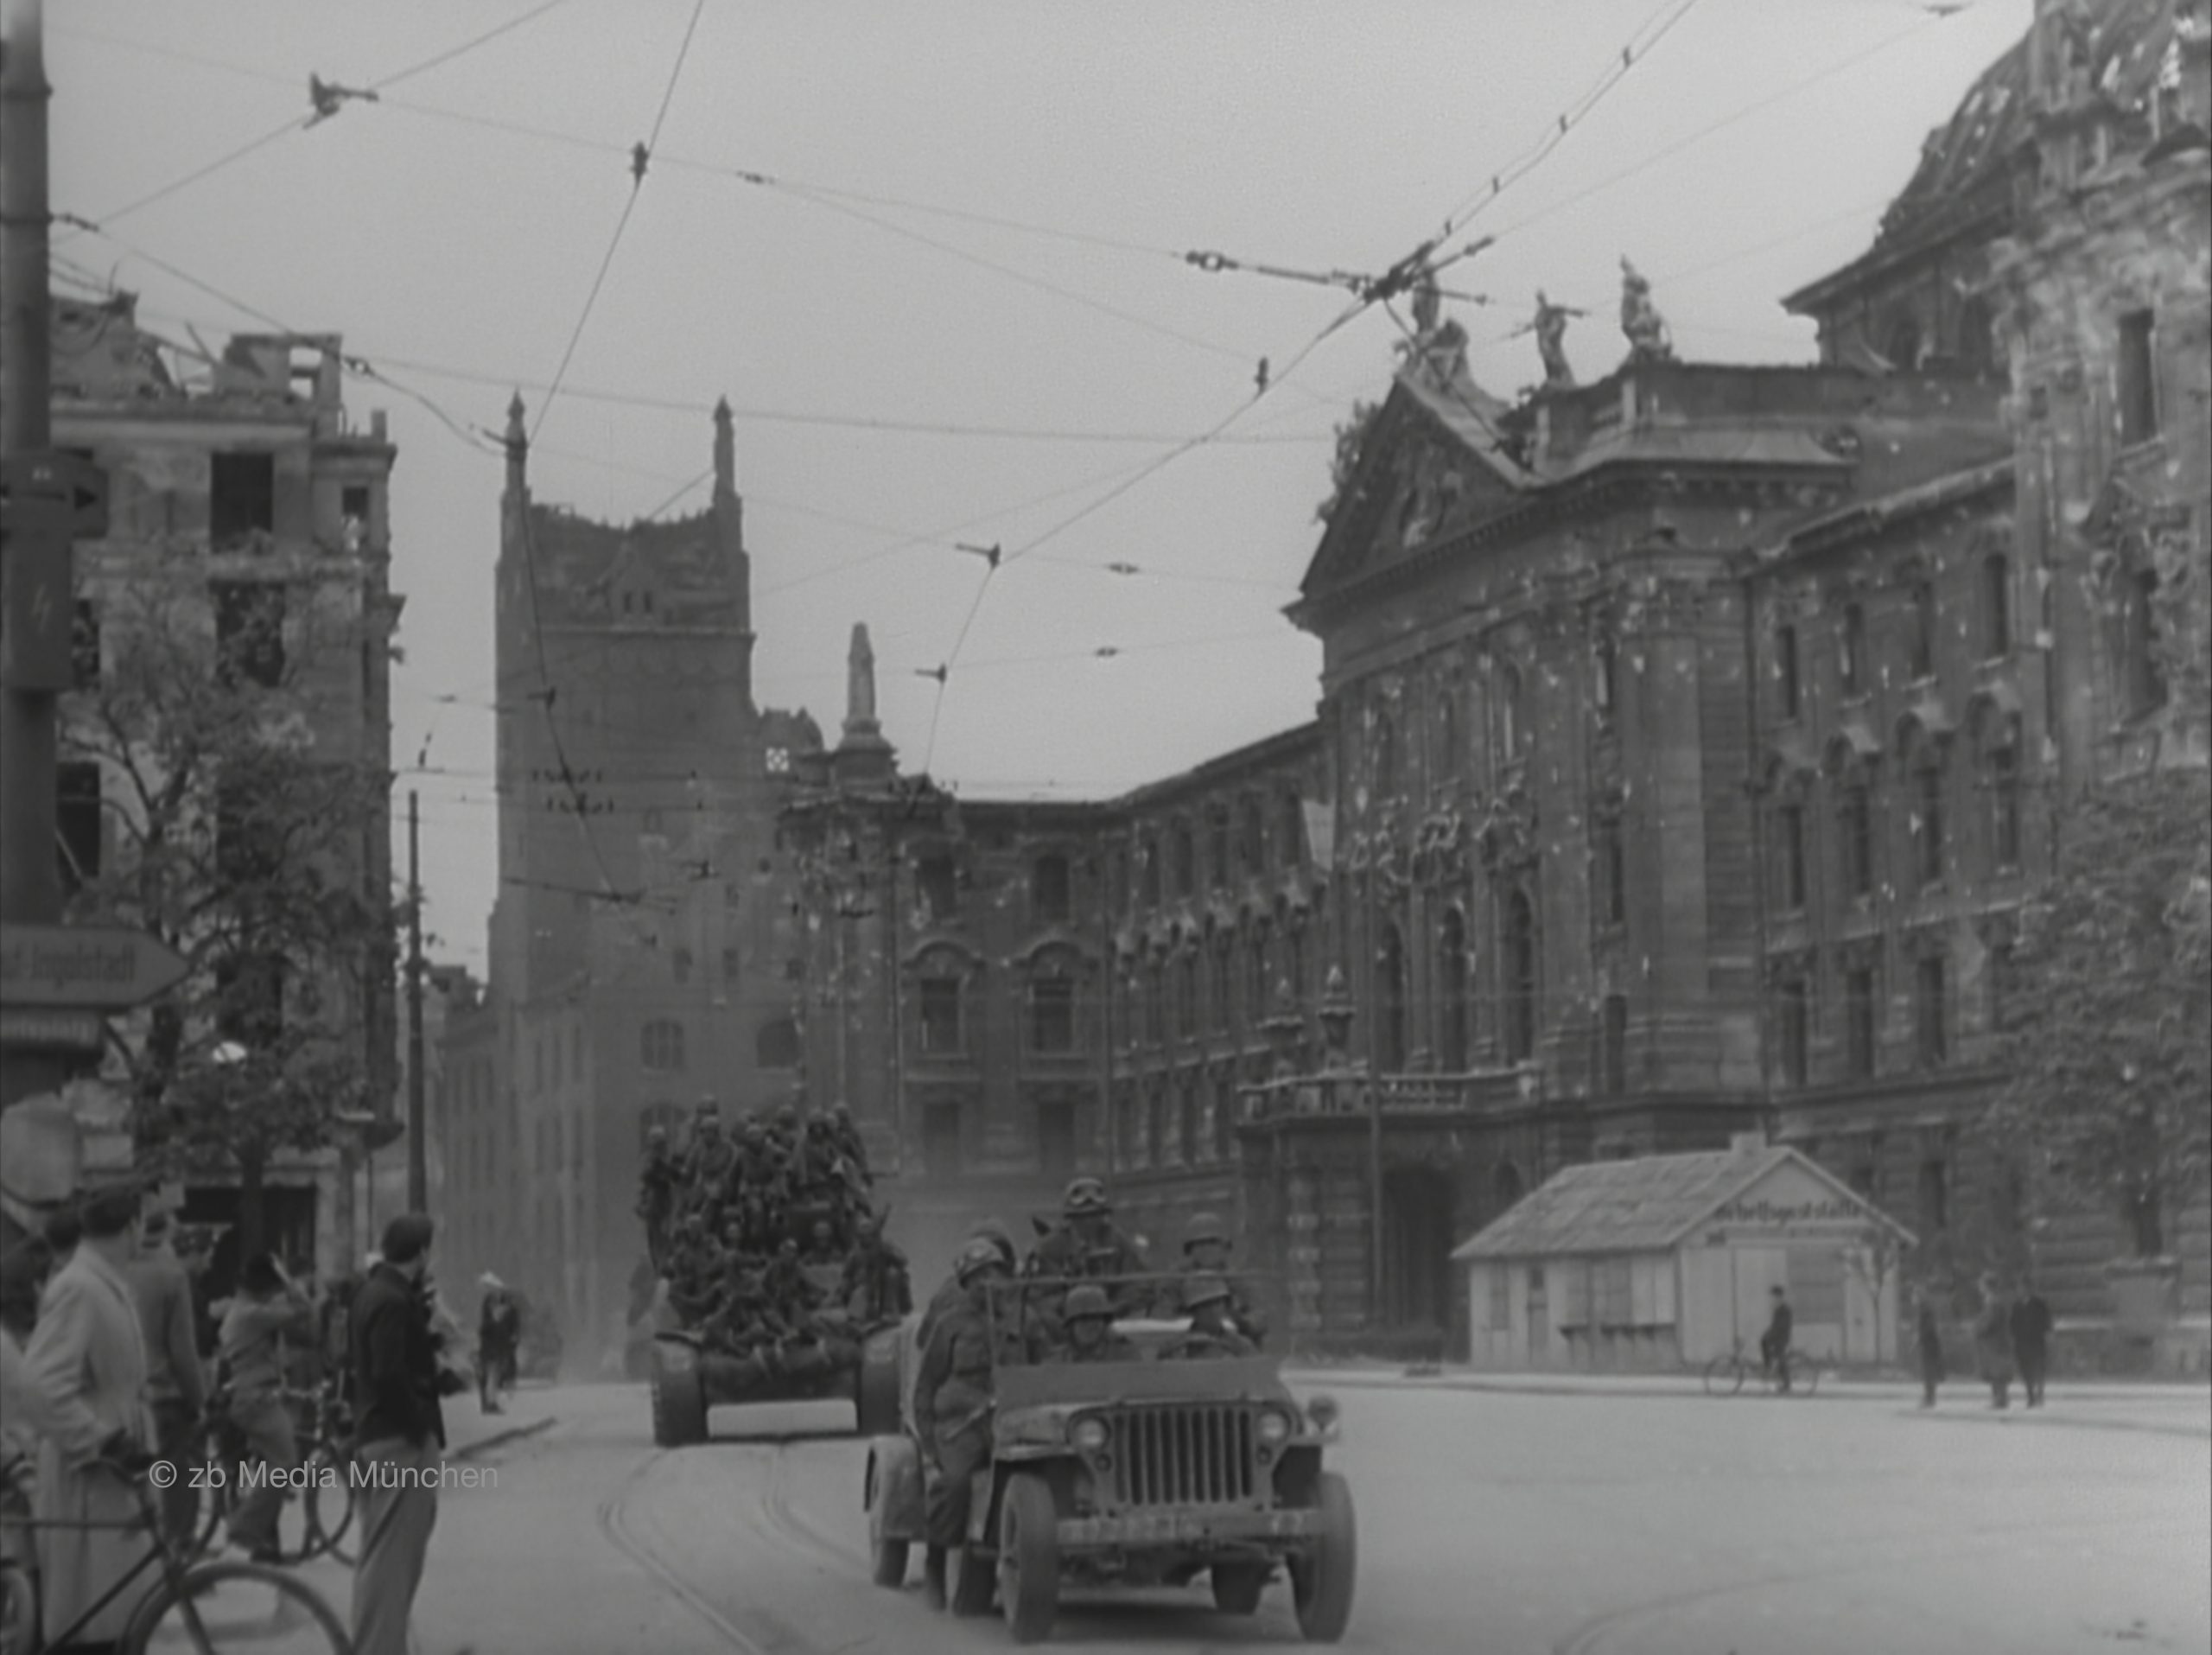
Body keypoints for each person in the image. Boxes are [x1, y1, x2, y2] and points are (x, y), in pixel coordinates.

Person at [24, 1181, 152, 1650]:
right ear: (131, 1228)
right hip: (91, 1473)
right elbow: (41, 1387)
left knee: (125, 1607)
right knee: (95, 1616)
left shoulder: (105, 1285)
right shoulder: (78, 1288)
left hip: (121, 1464)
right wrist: (100, 1439)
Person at [350, 1214, 450, 1655]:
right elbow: (388, 1372)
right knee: (395, 1557)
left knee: (382, 1552)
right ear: (422, 1253)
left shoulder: (374, 1292)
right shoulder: (392, 1300)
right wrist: (417, 1423)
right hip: (398, 1441)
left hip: (377, 1434)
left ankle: (380, 1643)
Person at [914, 1238, 1013, 1610]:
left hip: (1015, 1419)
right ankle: (936, 1564)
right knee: (954, 1485)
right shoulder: (950, 1325)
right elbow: (926, 1386)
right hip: (964, 1424)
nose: (988, 1282)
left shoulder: (1024, 1318)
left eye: (994, 1273)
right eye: (978, 1277)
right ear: (966, 1284)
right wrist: (928, 1445)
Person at [219, 1251, 314, 1563]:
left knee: (267, 1466)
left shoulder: (244, 1309)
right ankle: (244, 1528)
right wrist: (287, 1279)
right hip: (255, 1398)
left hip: (254, 1394)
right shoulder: (252, 1314)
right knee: (286, 1462)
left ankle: (265, 1545)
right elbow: (303, 1308)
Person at [125, 1207, 208, 1544]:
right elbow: (183, 1351)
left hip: (127, 1397)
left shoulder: (117, 1271)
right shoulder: (171, 1276)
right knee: (179, 1478)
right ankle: (180, 1554)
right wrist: (199, 1399)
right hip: (165, 1394)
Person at [1173, 1212, 1267, 1346]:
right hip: (1188, 1345)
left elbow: (1259, 1316)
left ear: (1225, 1247)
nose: (1207, 1249)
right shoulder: (1177, 1279)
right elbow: (1164, 1318)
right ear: (1190, 1249)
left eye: (1213, 1242)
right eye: (1200, 1244)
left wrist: (1241, 1322)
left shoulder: (1239, 1280)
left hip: (1235, 1347)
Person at [1165, 1276, 1256, 1359]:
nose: (1213, 1311)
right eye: (1205, 1305)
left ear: (1225, 1305)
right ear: (1193, 1311)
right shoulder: (1176, 1347)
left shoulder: (1241, 1345)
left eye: (1217, 1303)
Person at [1043, 1284, 1137, 1365]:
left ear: (1104, 1323)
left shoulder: (1125, 1356)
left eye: (1095, 1318)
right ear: (1071, 1325)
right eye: (1083, 1319)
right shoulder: (1056, 1362)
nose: (1090, 1325)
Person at [476, 1275, 521, 1414]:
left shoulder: (498, 1304)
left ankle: (490, 1402)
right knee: (492, 1375)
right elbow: (488, 1325)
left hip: (496, 1345)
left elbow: (507, 1325)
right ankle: (490, 1403)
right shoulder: (491, 1303)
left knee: (493, 1375)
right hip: (492, 1346)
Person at [1974, 1274, 2016, 1410]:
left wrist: (1979, 1329)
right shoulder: (1991, 1301)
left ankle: (2001, 1399)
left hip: (1996, 1343)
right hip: (1993, 1342)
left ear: (1987, 1286)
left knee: (1998, 1372)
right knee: (1994, 1372)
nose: (1979, 1287)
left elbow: (1991, 1322)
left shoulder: (1994, 1302)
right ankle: (1998, 1398)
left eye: (1981, 1285)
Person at [2011, 1278, 2053, 1408]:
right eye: (2020, 1288)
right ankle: (2030, 1396)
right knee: (2026, 1370)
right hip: (2022, 1342)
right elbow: (2012, 1323)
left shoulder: (2039, 1304)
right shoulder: (2017, 1305)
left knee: (2039, 1368)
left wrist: (2047, 1333)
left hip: (2036, 1341)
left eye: (2024, 1288)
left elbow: (2047, 1320)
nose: (2021, 1291)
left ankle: (2040, 1393)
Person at [1915, 1284, 1945, 1410]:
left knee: (1929, 1372)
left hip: (1929, 1345)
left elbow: (1928, 1328)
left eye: (1914, 1296)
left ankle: (1929, 1398)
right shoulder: (1926, 1309)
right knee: (1928, 1372)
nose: (1913, 1299)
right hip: (1930, 1344)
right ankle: (1929, 1397)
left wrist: (1919, 1338)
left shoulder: (1925, 1310)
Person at [1759, 1285, 1795, 1393]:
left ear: (1779, 1297)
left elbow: (1782, 1325)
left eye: (1774, 1297)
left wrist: (1772, 1333)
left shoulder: (1785, 1309)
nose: (1773, 1299)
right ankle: (1768, 1366)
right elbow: (1774, 1325)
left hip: (1782, 1337)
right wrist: (1768, 1333)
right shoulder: (1778, 1309)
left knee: (1780, 1359)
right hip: (1777, 1336)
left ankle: (1786, 1384)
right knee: (1764, 1341)